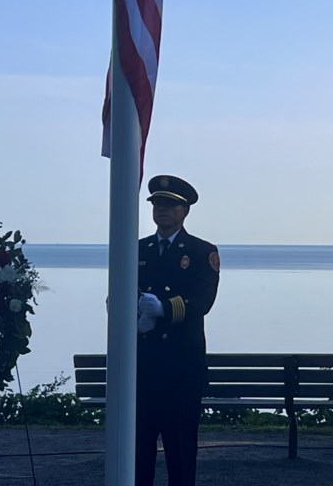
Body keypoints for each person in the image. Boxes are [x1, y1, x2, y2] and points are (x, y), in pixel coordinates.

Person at [135, 174, 220, 486]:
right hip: (142, 365)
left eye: (170, 205)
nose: (162, 210)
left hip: (181, 367)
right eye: (158, 203)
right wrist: (135, 316)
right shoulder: (138, 249)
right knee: (138, 449)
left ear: (185, 211)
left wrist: (165, 309)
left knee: (181, 449)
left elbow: (202, 301)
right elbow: (116, 294)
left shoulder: (201, 251)